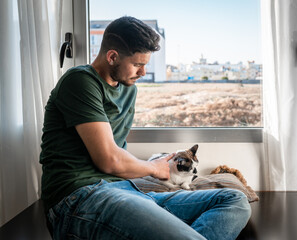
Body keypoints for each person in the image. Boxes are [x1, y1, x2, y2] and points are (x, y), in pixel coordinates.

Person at [40, 16, 251, 240]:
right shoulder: (80, 81)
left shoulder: (128, 89)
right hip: (80, 198)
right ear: (112, 56)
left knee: (234, 201)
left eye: (146, 64)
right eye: (138, 64)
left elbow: (117, 156)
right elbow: (109, 159)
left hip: (126, 190)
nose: (143, 72)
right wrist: (154, 168)